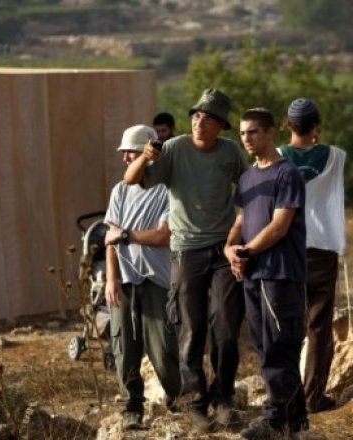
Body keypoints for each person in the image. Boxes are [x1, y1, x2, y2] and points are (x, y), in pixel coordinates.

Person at [123, 88, 248, 431]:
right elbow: (131, 179)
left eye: (207, 119)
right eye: (195, 116)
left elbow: (250, 192)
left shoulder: (230, 152)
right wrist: (144, 157)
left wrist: (240, 233)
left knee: (226, 326)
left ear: (220, 125)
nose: (198, 122)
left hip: (223, 249)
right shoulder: (175, 148)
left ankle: (223, 398)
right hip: (186, 249)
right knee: (190, 328)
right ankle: (194, 402)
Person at [225, 108, 309, 438]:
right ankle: (294, 421)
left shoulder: (287, 173)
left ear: (271, 132)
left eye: (253, 132)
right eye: (242, 133)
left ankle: (275, 419)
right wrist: (230, 249)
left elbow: (279, 226)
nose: (246, 138)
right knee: (263, 345)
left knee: (279, 346)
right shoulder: (247, 177)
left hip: (280, 273)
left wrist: (246, 251)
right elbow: (241, 220)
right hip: (252, 273)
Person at [104, 125, 181, 430]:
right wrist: (111, 279)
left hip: (157, 280)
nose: (126, 158)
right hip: (124, 280)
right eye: (124, 153)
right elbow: (110, 240)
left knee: (163, 348)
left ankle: (180, 402)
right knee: (124, 348)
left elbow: (163, 235)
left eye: (132, 153)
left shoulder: (167, 189)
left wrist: (126, 235)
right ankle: (131, 409)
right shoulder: (120, 190)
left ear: (149, 155)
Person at [278, 98, 346, 413]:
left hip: (285, 246)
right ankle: (313, 396)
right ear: (316, 125)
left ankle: (284, 394)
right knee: (318, 325)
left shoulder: (277, 157)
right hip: (323, 248)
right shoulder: (336, 156)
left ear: (287, 125)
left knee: (287, 323)